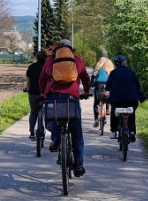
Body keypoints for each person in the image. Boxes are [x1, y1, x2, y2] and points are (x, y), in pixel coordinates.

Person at [39, 39, 91, 177]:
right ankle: (79, 167)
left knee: (56, 117)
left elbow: (43, 78)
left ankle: (56, 140)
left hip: (53, 97)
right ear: (71, 49)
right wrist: (86, 91)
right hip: (72, 98)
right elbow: (85, 77)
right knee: (77, 134)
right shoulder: (77, 59)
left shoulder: (51, 60)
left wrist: (43, 93)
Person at [105, 55, 145, 142]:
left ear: (116, 64)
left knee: (114, 112)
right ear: (125, 63)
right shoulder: (131, 72)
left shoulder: (113, 73)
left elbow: (107, 86)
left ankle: (114, 131)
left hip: (117, 100)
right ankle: (132, 131)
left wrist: (108, 90)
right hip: (132, 99)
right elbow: (137, 86)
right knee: (132, 113)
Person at [25, 50, 48, 140]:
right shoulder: (48, 67)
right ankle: (45, 128)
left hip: (33, 92)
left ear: (36, 58)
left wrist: (27, 88)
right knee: (47, 111)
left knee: (33, 112)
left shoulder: (31, 67)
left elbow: (28, 81)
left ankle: (31, 132)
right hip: (45, 93)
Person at [90, 56, 114, 127]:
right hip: (107, 85)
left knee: (96, 103)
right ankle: (107, 109)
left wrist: (92, 84)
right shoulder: (110, 69)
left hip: (99, 85)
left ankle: (96, 119)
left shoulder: (98, 69)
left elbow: (93, 77)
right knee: (107, 96)